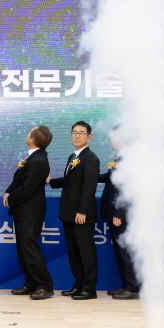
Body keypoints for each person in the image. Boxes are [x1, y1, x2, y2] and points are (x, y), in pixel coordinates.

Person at [48, 121, 100, 300]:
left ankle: (89, 289)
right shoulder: (73, 156)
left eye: (81, 133)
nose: (77, 136)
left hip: (81, 214)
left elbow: (89, 187)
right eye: (74, 132)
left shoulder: (91, 158)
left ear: (89, 137)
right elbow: (70, 181)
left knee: (86, 252)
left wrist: (82, 211)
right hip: (69, 212)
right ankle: (79, 284)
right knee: (74, 252)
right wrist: (51, 181)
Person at [4, 125, 54, 300]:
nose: (26, 134)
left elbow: (27, 188)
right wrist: (8, 191)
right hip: (23, 210)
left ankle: (45, 285)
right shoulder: (32, 157)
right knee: (24, 249)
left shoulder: (39, 160)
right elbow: (19, 180)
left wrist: (11, 198)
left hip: (30, 211)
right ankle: (31, 283)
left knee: (30, 248)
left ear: (33, 139)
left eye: (29, 132)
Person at [99, 126, 139, 300]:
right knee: (120, 251)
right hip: (114, 213)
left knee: (127, 251)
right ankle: (126, 284)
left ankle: (133, 287)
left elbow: (128, 189)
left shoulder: (129, 158)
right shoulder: (120, 157)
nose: (110, 141)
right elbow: (111, 179)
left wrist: (119, 213)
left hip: (122, 214)